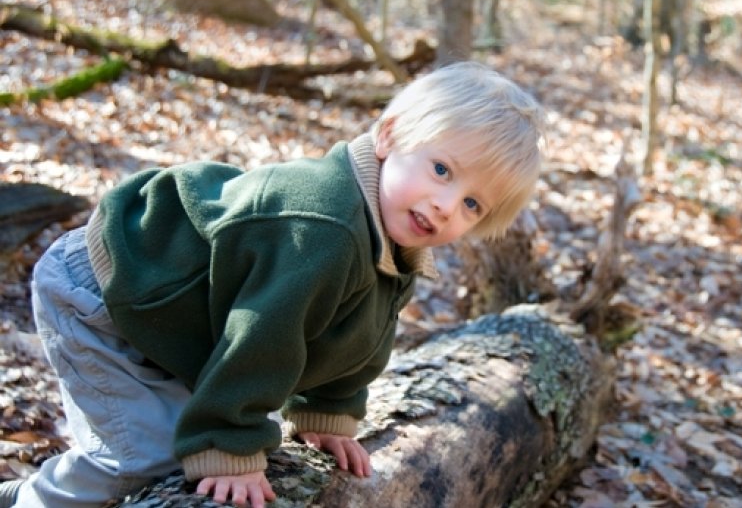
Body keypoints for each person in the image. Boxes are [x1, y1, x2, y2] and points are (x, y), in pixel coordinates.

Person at [0, 61, 544, 508]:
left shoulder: (393, 243)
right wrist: (227, 442)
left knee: (164, 438)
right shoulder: (323, 228)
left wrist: (328, 412)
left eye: (472, 204)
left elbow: (355, 335)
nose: (445, 204)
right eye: (442, 170)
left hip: (180, 311)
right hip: (109, 287)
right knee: (143, 455)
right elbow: (262, 334)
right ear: (390, 135)